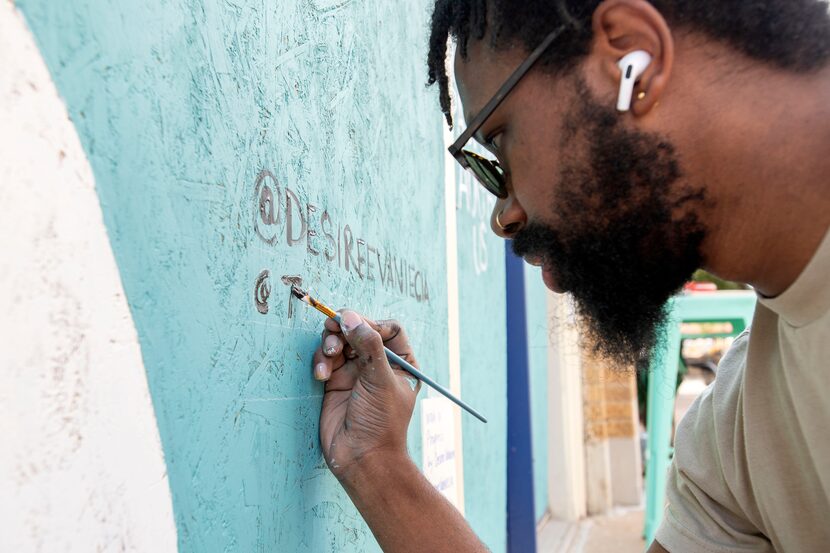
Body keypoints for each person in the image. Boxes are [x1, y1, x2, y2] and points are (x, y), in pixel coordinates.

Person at [309, 1, 830, 551]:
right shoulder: (740, 437)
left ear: (634, 60)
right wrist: (375, 462)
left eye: (497, 147)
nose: (502, 217)